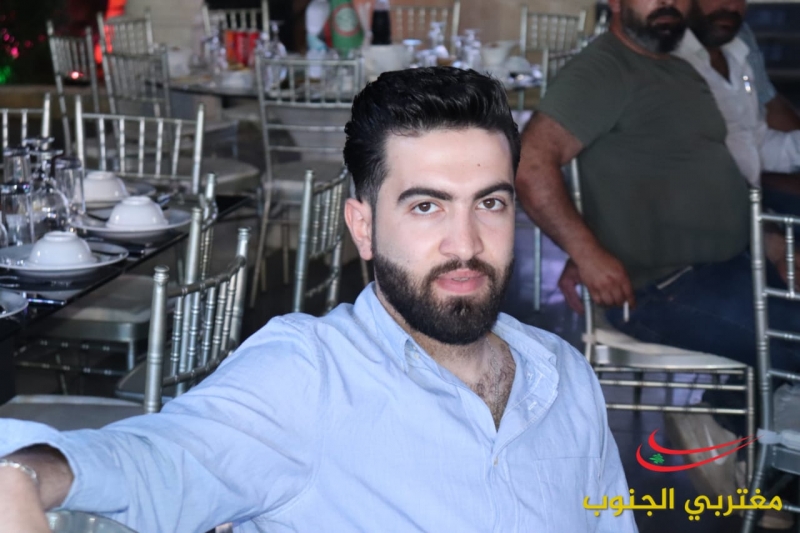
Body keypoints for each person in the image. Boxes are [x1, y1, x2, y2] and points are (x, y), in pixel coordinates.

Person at [0, 68, 636, 533]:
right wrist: (26, 475)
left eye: (489, 203)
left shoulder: (565, 376)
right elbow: (162, 459)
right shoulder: (309, 377)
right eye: (426, 206)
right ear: (363, 227)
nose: (465, 243)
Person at [517, 0, 800, 374]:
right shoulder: (604, 69)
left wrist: (772, 242)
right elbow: (530, 163)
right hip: (663, 290)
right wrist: (586, 252)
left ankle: (739, 409)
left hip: (726, 266)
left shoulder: (678, 68)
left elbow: (710, 178)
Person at [673, 0, 800, 215]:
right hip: (706, 214)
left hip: (749, 206)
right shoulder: (670, 64)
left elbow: (754, 143)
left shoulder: (737, 51)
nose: (731, 7)